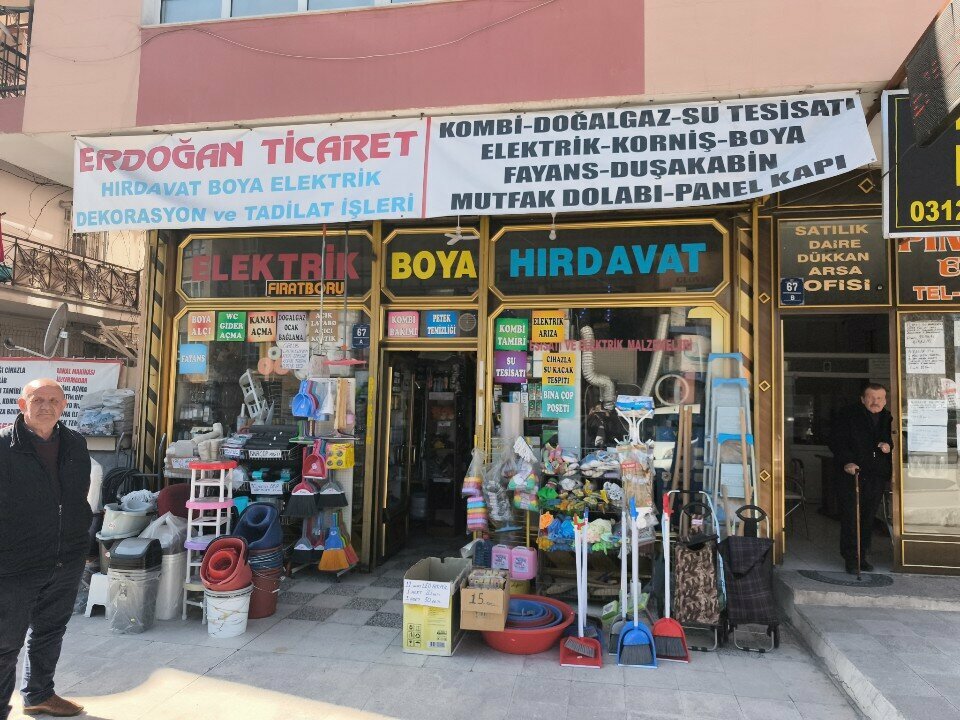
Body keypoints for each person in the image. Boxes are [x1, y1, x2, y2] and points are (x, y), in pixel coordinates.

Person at [0, 379, 91, 718]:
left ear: (64, 406)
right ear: (22, 405)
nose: (46, 406)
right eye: (37, 399)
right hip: (15, 562)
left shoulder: (75, 443)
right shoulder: (4, 446)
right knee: (5, 642)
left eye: (54, 400)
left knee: (50, 631)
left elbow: (77, 497)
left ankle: (39, 694)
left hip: (65, 557)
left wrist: (79, 539)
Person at [829, 383, 893, 575]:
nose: (875, 401)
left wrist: (888, 446)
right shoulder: (848, 416)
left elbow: (893, 441)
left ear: (885, 400)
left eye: (879, 398)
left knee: (868, 518)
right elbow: (836, 441)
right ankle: (851, 558)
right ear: (863, 399)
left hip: (876, 475)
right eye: (871, 397)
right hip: (852, 474)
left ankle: (862, 556)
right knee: (851, 517)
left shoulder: (888, 417)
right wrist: (847, 461)